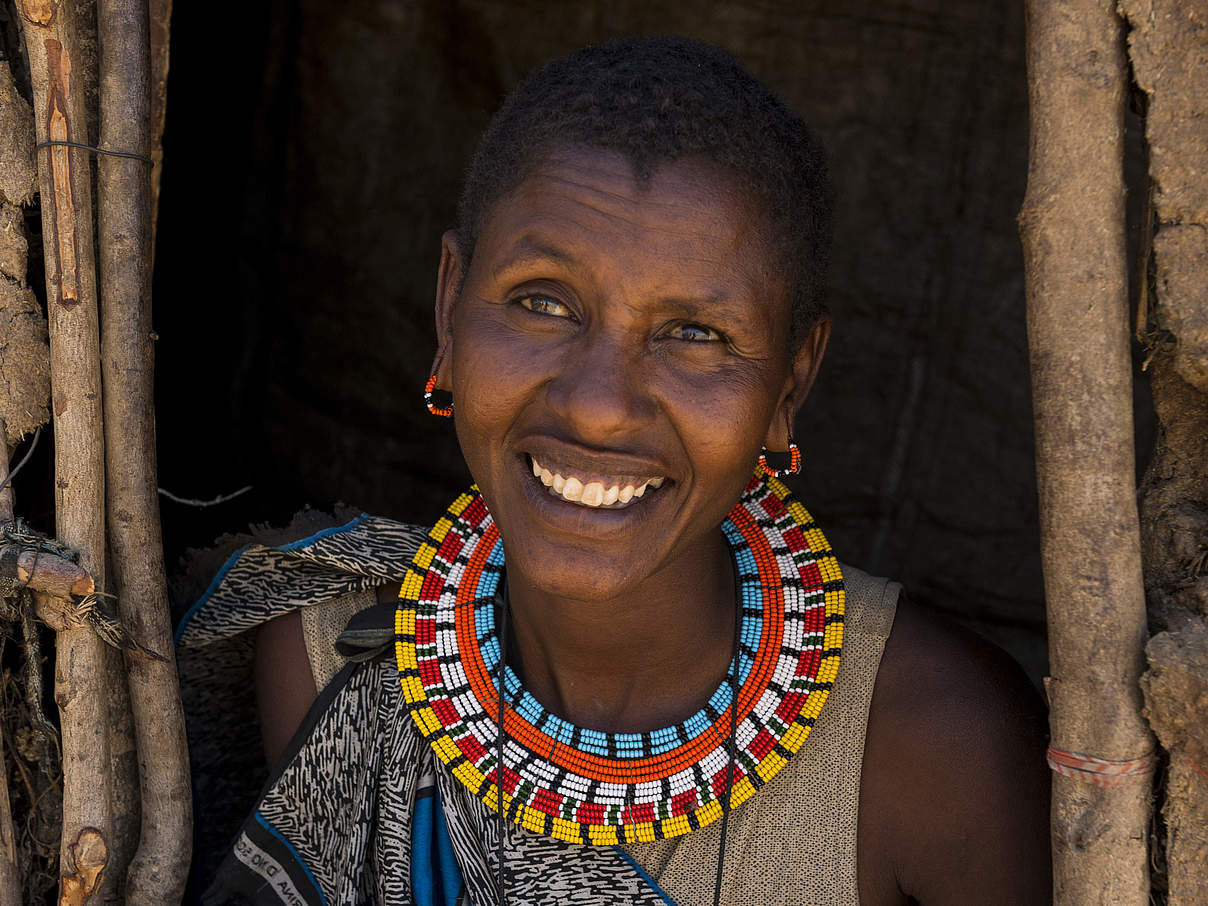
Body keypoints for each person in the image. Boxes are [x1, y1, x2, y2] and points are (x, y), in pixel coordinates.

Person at [177, 35, 1050, 906]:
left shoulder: (936, 752)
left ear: (790, 381)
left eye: (695, 334)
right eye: (544, 302)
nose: (599, 405)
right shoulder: (331, 661)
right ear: (451, 305)